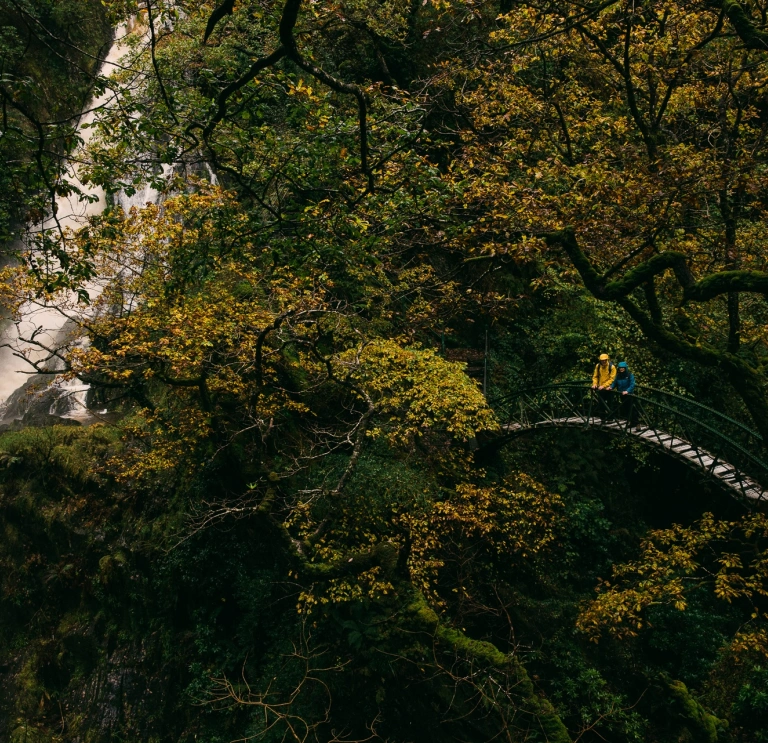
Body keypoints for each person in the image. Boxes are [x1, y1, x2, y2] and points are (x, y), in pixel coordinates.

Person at [611, 361, 637, 426]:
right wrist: (611, 387)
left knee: (632, 409)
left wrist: (627, 391)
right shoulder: (618, 376)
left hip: (629, 395)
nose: (621, 369)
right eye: (620, 368)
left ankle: (636, 423)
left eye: (623, 368)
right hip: (622, 394)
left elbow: (632, 384)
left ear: (625, 368)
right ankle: (630, 422)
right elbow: (615, 383)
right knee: (626, 409)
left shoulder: (629, 375)